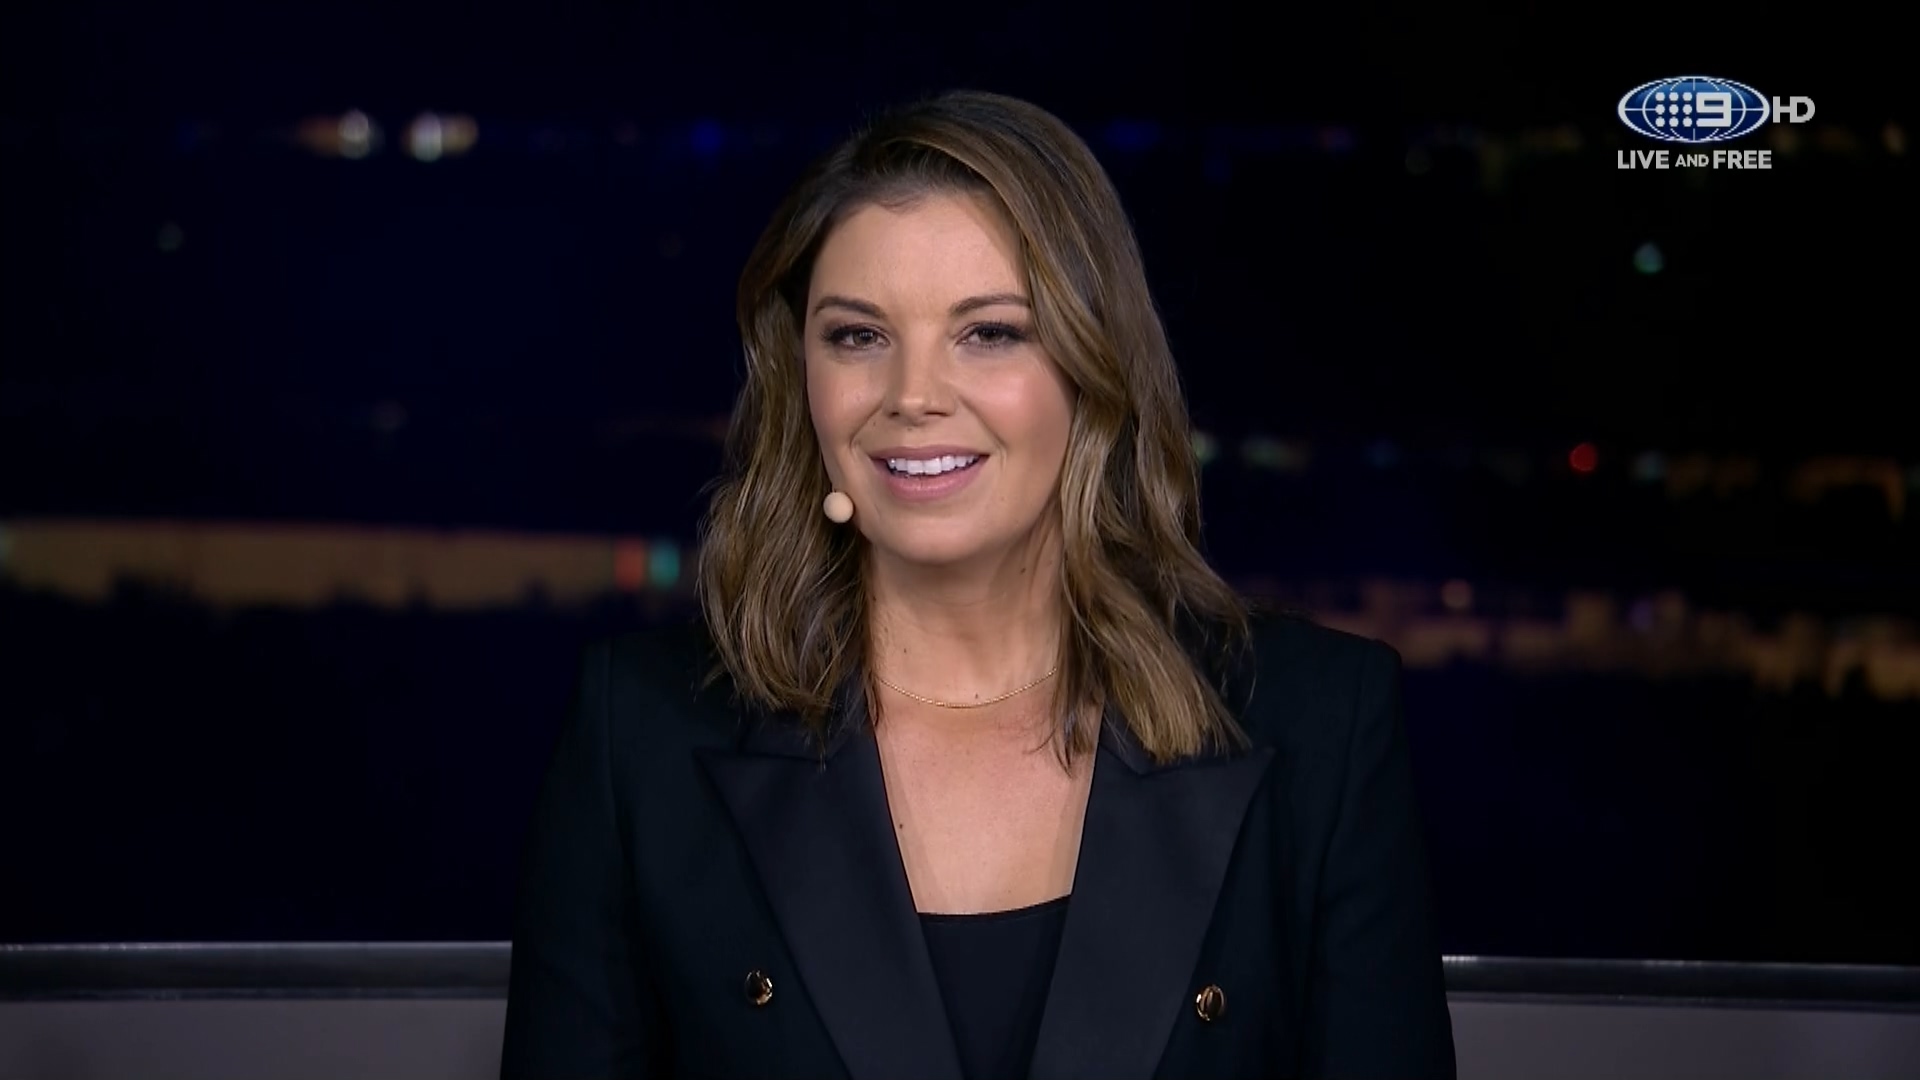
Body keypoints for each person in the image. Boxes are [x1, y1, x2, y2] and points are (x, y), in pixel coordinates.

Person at [499, 90, 1455, 1080]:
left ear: (1092, 367)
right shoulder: (637, 735)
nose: (913, 395)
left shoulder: (1325, 724)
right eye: (858, 335)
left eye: (989, 332)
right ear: (801, 375)